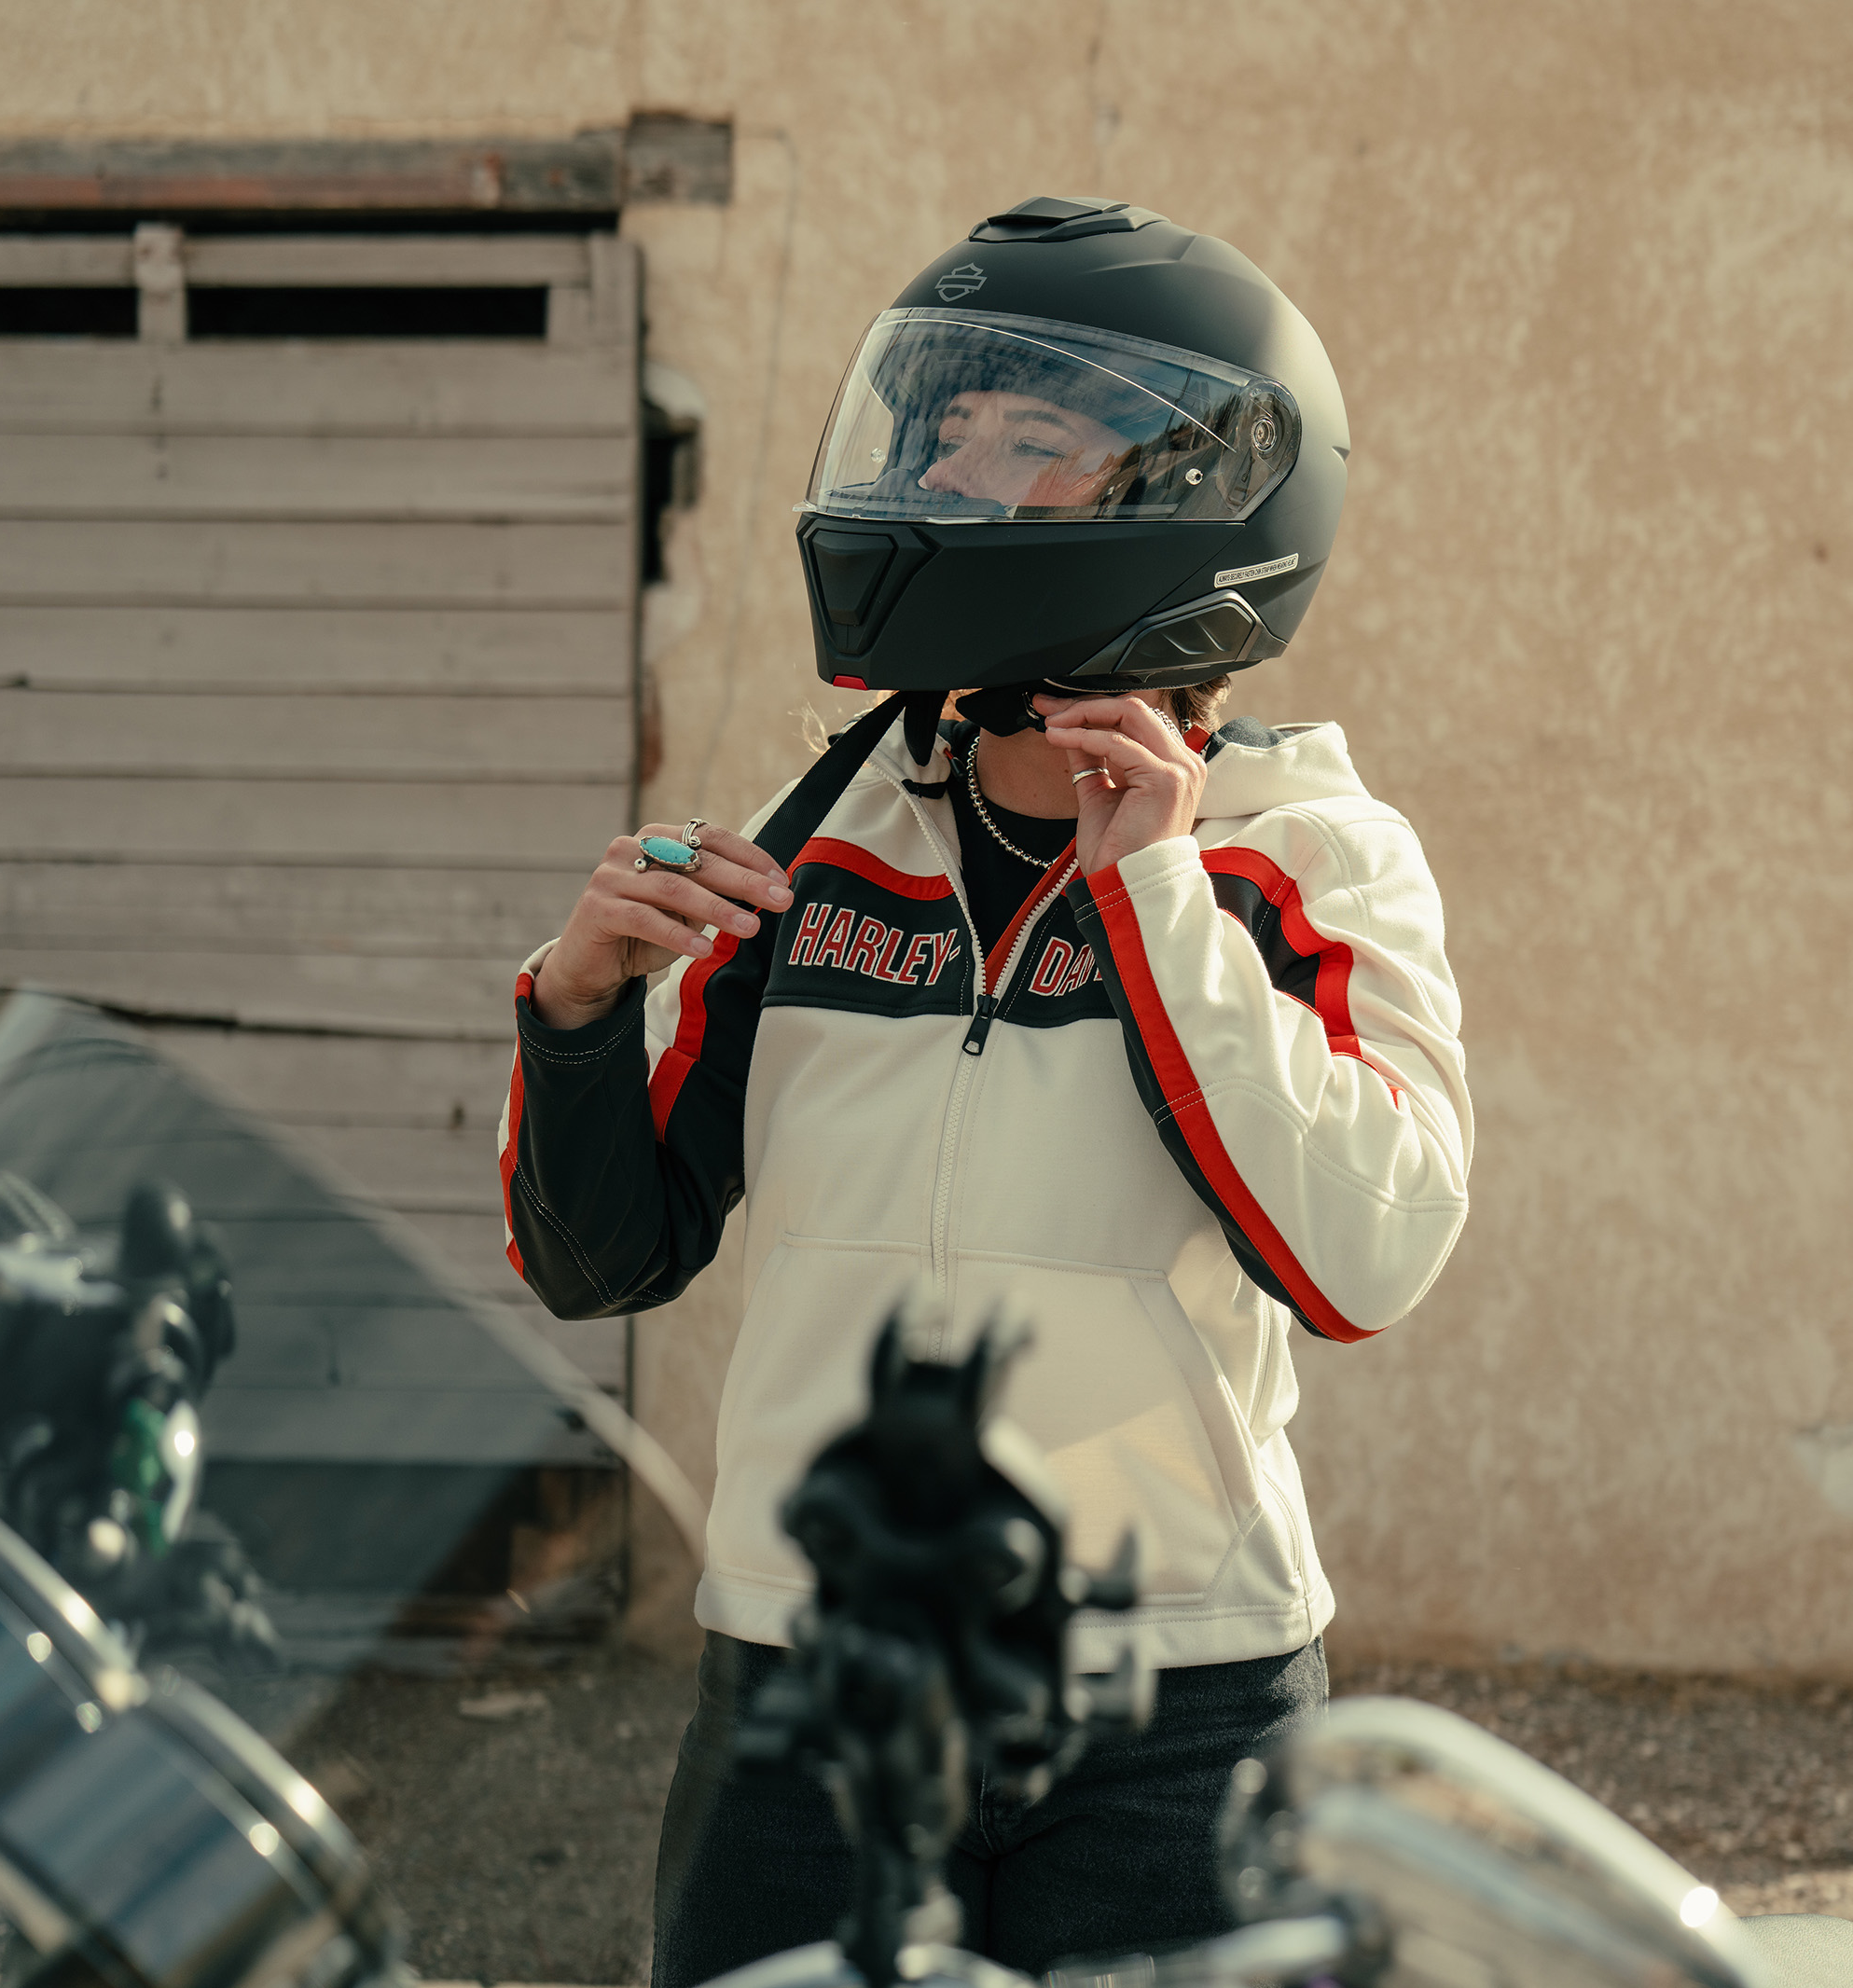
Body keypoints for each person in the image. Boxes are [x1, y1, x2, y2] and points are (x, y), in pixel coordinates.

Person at [497, 195, 1473, 1983]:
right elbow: (599, 1266)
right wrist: (572, 1013)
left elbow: (1364, 1261)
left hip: (1173, 1702)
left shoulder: (1312, 859)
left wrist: (1154, 894)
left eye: (1022, 445)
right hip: (815, 1682)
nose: (947, 482)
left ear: (1198, 487)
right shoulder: (817, 843)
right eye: (938, 435)